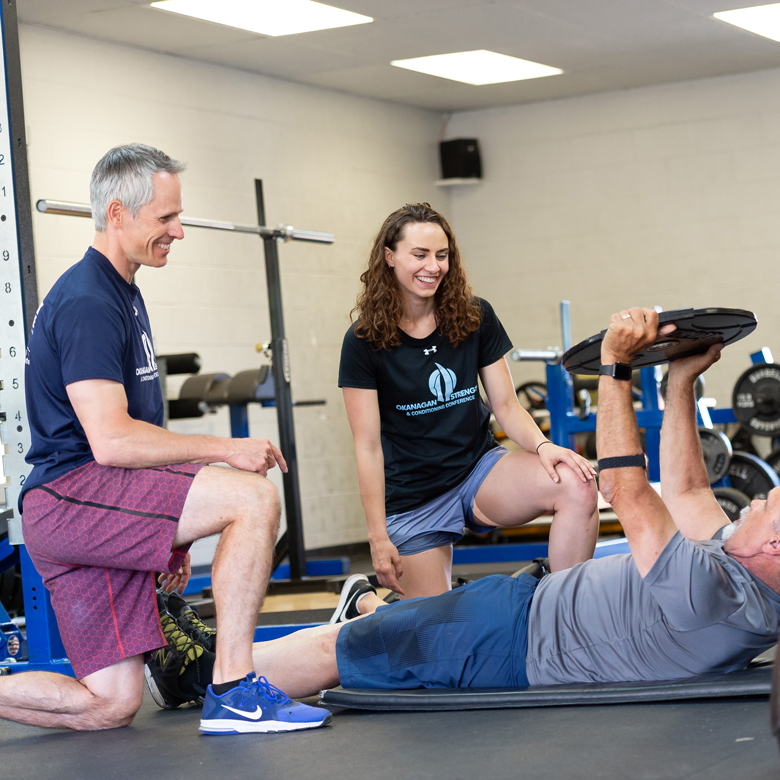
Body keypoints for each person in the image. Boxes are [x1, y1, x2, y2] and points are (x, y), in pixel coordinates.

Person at [231, 307, 780, 698]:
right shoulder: (745, 575)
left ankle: (216, 679)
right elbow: (687, 490)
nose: (753, 504)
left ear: (775, 545)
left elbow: (629, 493)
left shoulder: (719, 597)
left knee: (341, 649)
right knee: (378, 630)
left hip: (512, 640)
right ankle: (367, 611)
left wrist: (615, 366)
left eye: (766, 506)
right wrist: (679, 381)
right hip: (526, 605)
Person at [0, 144, 330, 735]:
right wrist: (222, 447)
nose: (178, 231)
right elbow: (112, 442)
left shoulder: (122, 289)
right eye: (166, 218)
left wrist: (168, 533)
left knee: (110, 703)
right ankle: (233, 692)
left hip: (90, 503)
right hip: (73, 497)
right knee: (252, 498)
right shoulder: (87, 300)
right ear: (119, 213)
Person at [338, 203, 598, 600]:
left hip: (478, 472)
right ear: (389, 258)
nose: (433, 266)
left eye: (442, 256)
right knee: (438, 636)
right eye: (419, 255)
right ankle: (366, 605)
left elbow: (507, 406)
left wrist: (545, 447)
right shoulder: (362, 341)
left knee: (576, 486)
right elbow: (368, 446)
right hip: (413, 497)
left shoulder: (474, 315)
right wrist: (377, 534)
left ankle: (565, 614)